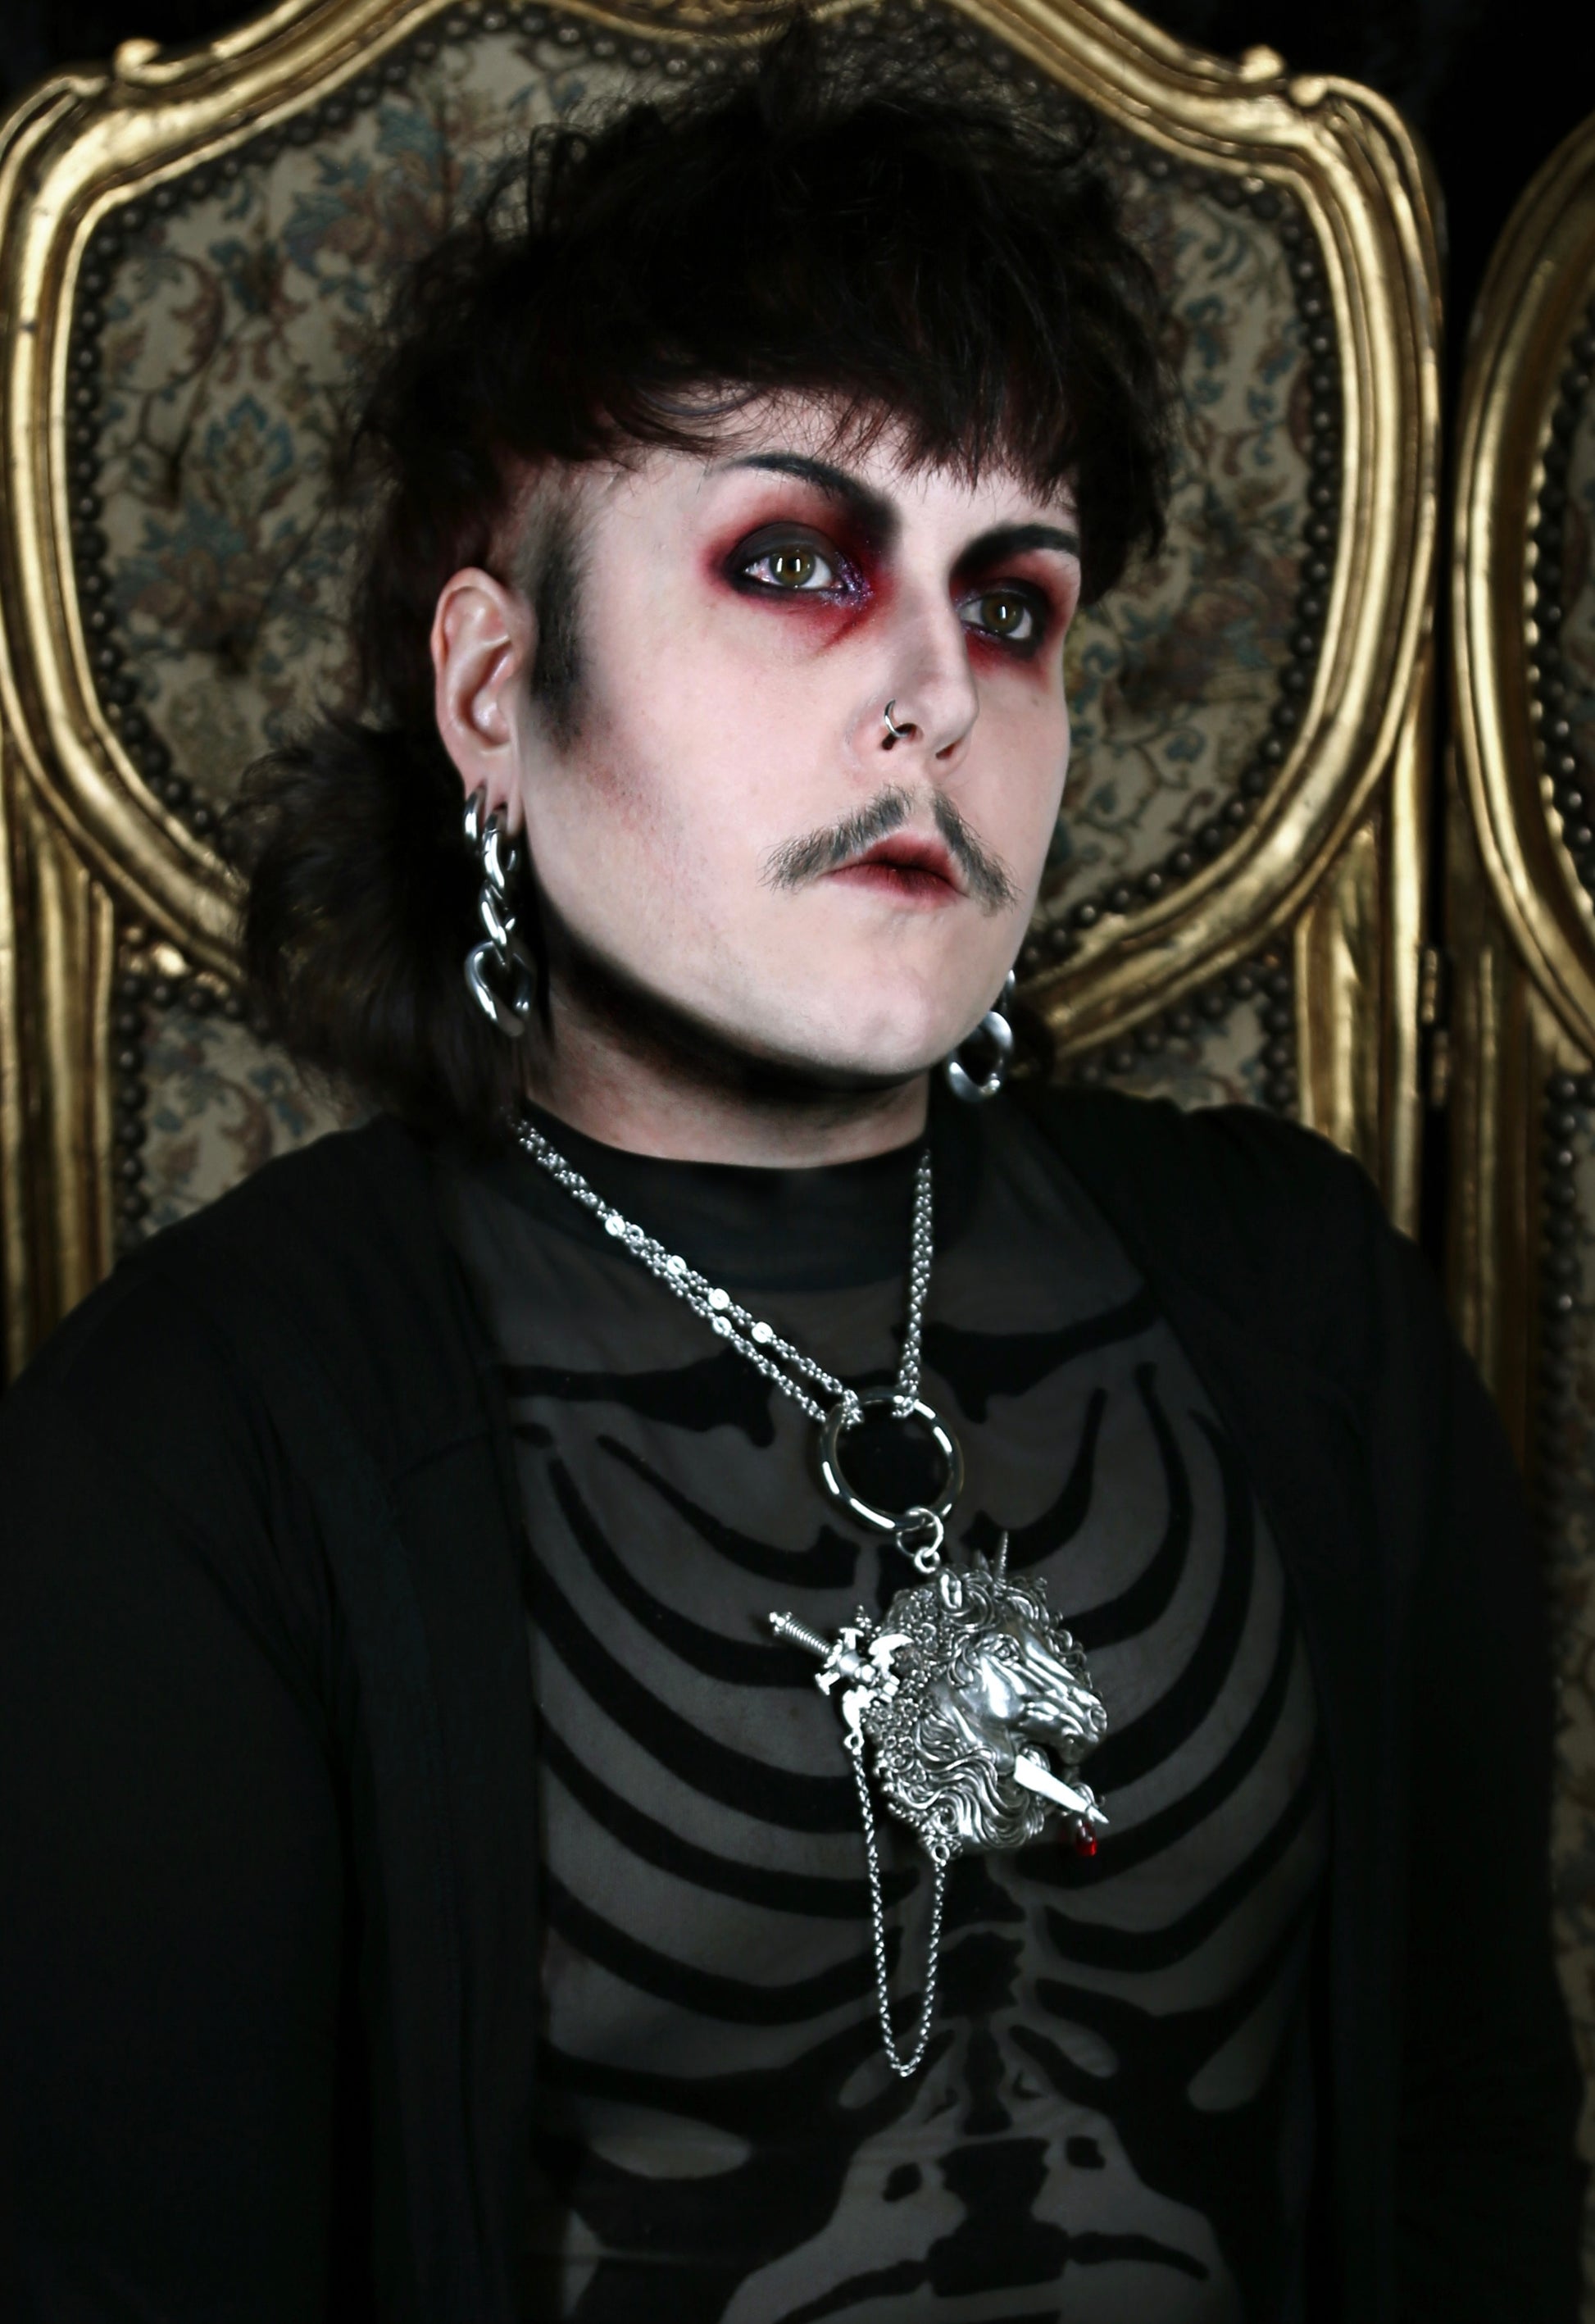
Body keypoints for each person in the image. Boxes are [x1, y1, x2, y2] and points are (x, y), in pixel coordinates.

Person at [0, 24, 1580, 2323]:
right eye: (795, 562)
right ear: (492, 690)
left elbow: (1468, 2140)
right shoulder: (195, 1443)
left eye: (1013, 600)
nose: (938, 692)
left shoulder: (1306, 1302)